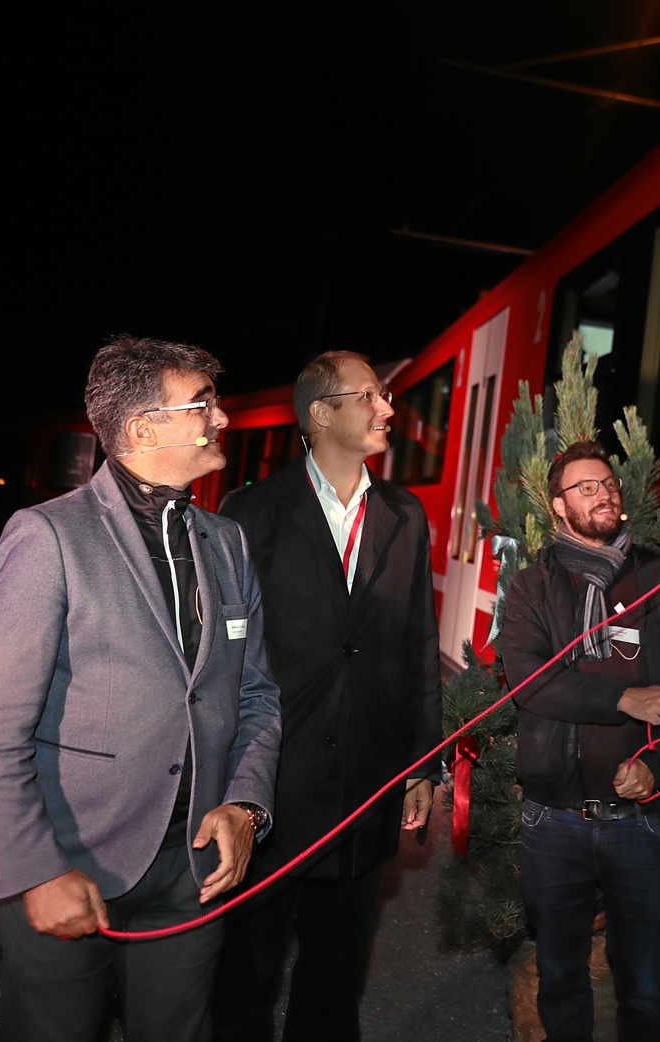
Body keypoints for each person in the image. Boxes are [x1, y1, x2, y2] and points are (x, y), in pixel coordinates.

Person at [0, 336, 282, 1042]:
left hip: (193, 872)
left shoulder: (226, 542)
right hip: (71, 861)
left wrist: (246, 804)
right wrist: (36, 871)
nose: (221, 419)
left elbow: (255, 693)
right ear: (141, 429)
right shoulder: (48, 537)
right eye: (204, 405)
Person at [212, 350, 442, 1042]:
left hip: (365, 784)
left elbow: (419, 647)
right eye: (370, 396)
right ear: (320, 412)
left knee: (335, 979)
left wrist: (422, 763)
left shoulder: (406, 516)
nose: (388, 410)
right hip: (274, 783)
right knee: (244, 974)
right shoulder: (251, 513)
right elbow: (225, 660)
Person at [501, 439, 660, 1042]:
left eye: (607, 483)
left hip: (642, 820)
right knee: (560, 980)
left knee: (649, 988)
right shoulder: (531, 588)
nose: (602, 493)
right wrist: (623, 698)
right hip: (555, 820)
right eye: (585, 487)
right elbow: (530, 681)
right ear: (557, 507)